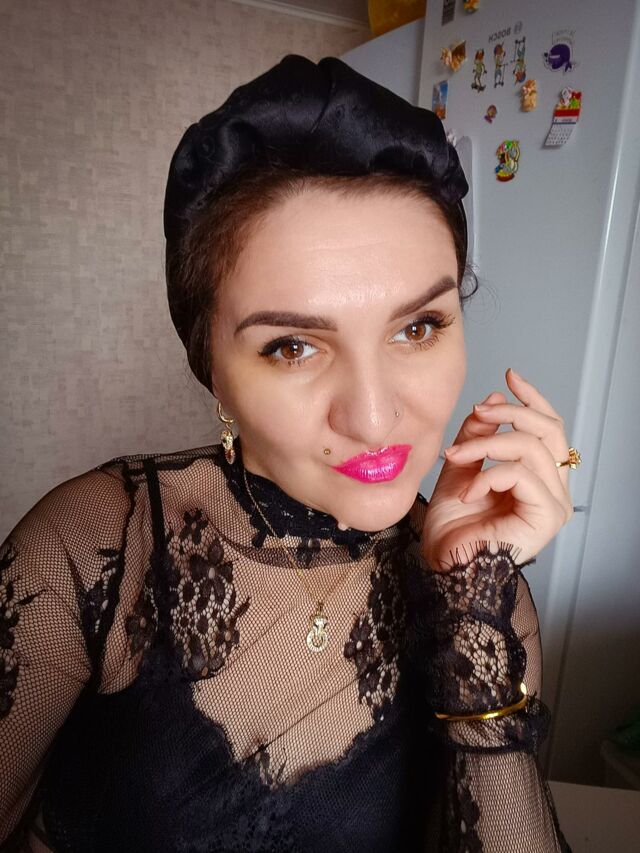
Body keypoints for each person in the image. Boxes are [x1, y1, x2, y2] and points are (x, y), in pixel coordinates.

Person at [0, 54, 576, 851]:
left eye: (418, 327)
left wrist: (467, 598)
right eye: (293, 346)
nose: (374, 418)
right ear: (211, 365)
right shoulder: (96, 544)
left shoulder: (481, 596)